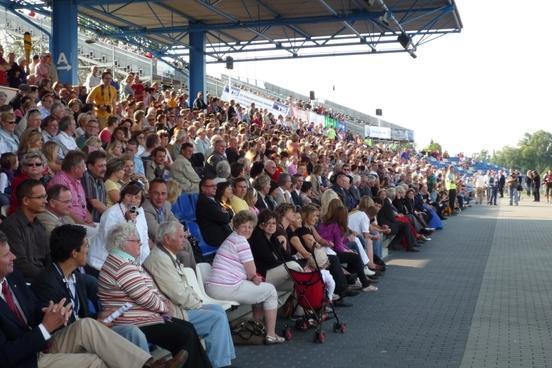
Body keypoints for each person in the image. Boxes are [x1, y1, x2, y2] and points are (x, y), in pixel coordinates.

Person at [0, 229, 188, 368]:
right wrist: (45, 327)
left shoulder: (12, 279)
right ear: (73, 252)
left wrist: (48, 316)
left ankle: (148, 365)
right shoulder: (47, 281)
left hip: (43, 341)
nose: (14, 257)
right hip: (26, 359)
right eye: (7, 254)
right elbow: (5, 356)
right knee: (97, 361)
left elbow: (36, 316)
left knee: (89, 325)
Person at [98, 222, 212, 368]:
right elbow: (144, 297)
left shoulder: (124, 261)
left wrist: (162, 302)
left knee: (188, 328)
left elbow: (149, 289)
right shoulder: (122, 265)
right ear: (123, 243)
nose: (140, 244)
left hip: (142, 316)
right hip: (133, 320)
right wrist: (164, 307)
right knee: (184, 334)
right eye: (136, 241)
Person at [31, 224, 154, 353]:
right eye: (85, 245)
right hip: (63, 342)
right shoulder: (47, 282)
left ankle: (147, 362)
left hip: (86, 331)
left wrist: (99, 316)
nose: (88, 249)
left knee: (131, 331)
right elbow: (55, 326)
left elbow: (80, 316)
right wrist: (96, 325)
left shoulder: (77, 277)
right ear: (74, 253)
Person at [144, 221, 236, 368]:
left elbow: (184, 289)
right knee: (216, 318)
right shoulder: (159, 259)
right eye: (180, 236)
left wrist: (198, 302)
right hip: (172, 312)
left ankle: (223, 361)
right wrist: (199, 304)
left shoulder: (166, 254)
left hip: (180, 306)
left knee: (218, 310)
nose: (184, 240)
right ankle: (219, 364)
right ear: (167, 239)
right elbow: (178, 294)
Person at [206, 211, 285, 344]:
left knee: (259, 288)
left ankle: (257, 325)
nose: (247, 229)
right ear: (236, 227)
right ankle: (271, 334)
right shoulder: (241, 241)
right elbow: (251, 271)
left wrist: (253, 277)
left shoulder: (232, 237)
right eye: (244, 226)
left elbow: (250, 274)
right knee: (270, 291)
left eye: (250, 227)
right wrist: (253, 276)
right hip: (226, 287)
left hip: (214, 286)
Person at [88, 182, 150, 273]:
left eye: (137, 197)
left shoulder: (140, 211)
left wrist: (144, 261)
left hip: (131, 265)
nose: (132, 200)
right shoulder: (111, 213)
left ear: (141, 201)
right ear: (122, 196)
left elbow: (144, 237)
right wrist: (127, 220)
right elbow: (111, 241)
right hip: (102, 264)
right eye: (129, 196)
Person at [248, 210, 303, 306]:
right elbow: (271, 261)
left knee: (296, 283)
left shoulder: (273, 238)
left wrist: (288, 260)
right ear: (261, 225)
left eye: (274, 223)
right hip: (262, 276)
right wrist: (287, 261)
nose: (271, 226)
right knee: (293, 266)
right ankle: (270, 306)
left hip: (273, 272)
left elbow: (286, 256)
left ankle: (295, 311)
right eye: (267, 223)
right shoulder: (257, 238)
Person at [0, 179, 50, 283]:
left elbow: (48, 257)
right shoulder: (11, 226)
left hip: (42, 278)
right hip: (25, 281)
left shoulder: (39, 225)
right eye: (40, 197)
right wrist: (48, 278)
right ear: (26, 201)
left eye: (45, 196)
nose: (45, 201)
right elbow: (19, 264)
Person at [47, 150, 94, 227]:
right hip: (72, 225)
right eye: (83, 166)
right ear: (74, 169)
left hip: (84, 223)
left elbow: (83, 205)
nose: (85, 169)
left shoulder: (77, 180)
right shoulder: (60, 181)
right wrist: (84, 224)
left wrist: (90, 220)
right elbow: (66, 210)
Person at [196, 177, 232, 247]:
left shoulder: (214, 199)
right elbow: (224, 218)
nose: (215, 188)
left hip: (224, 234)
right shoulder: (204, 202)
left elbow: (230, 212)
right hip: (216, 238)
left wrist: (226, 213)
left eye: (215, 186)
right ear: (203, 188)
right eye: (212, 186)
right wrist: (226, 214)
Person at [81, 150, 108, 223]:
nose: (104, 169)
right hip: (89, 222)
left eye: (105, 165)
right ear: (90, 166)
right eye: (100, 166)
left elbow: (104, 203)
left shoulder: (100, 179)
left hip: (100, 221)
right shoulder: (87, 176)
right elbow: (94, 202)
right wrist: (112, 215)